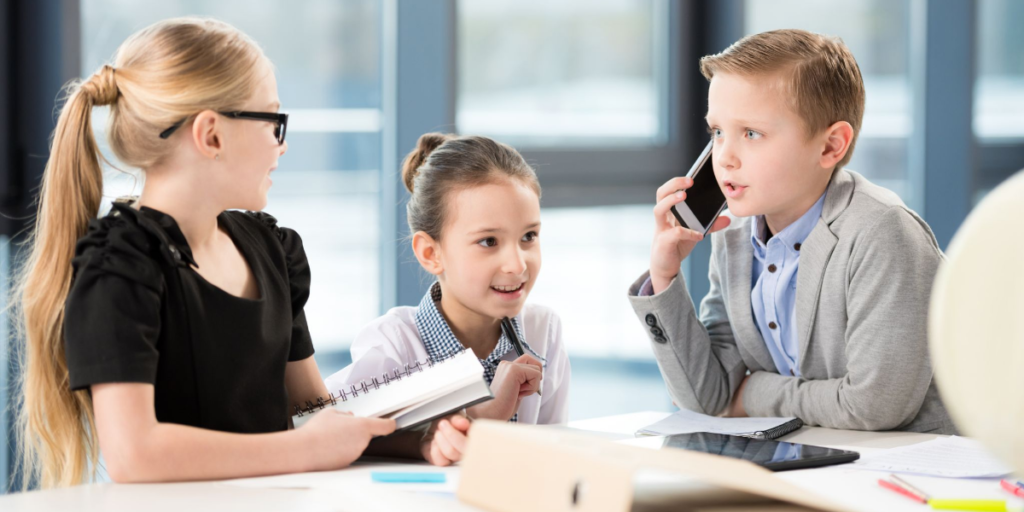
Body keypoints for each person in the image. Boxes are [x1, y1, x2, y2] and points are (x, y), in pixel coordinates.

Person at [14, 17, 464, 488]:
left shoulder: (270, 248)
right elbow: (134, 455)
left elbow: (312, 412)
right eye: (273, 122)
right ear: (211, 135)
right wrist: (305, 448)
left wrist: (418, 439)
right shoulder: (120, 266)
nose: (282, 145)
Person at [628, 29, 956, 434]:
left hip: (910, 477)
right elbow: (709, 398)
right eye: (717, 132)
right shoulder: (735, 237)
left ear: (830, 147)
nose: (724, 157)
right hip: (813, 464)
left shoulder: (882, 232)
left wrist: (754, 394)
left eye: (751, 133)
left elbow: (874, 406)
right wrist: (665, 277)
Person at [326, 133, 570, 458]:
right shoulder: (392, 345)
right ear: (430, 253)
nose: (516, 264)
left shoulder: (543, 331)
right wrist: (466, 421)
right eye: (488, 242)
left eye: (529, 236)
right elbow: (316, 426)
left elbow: (553, 454)